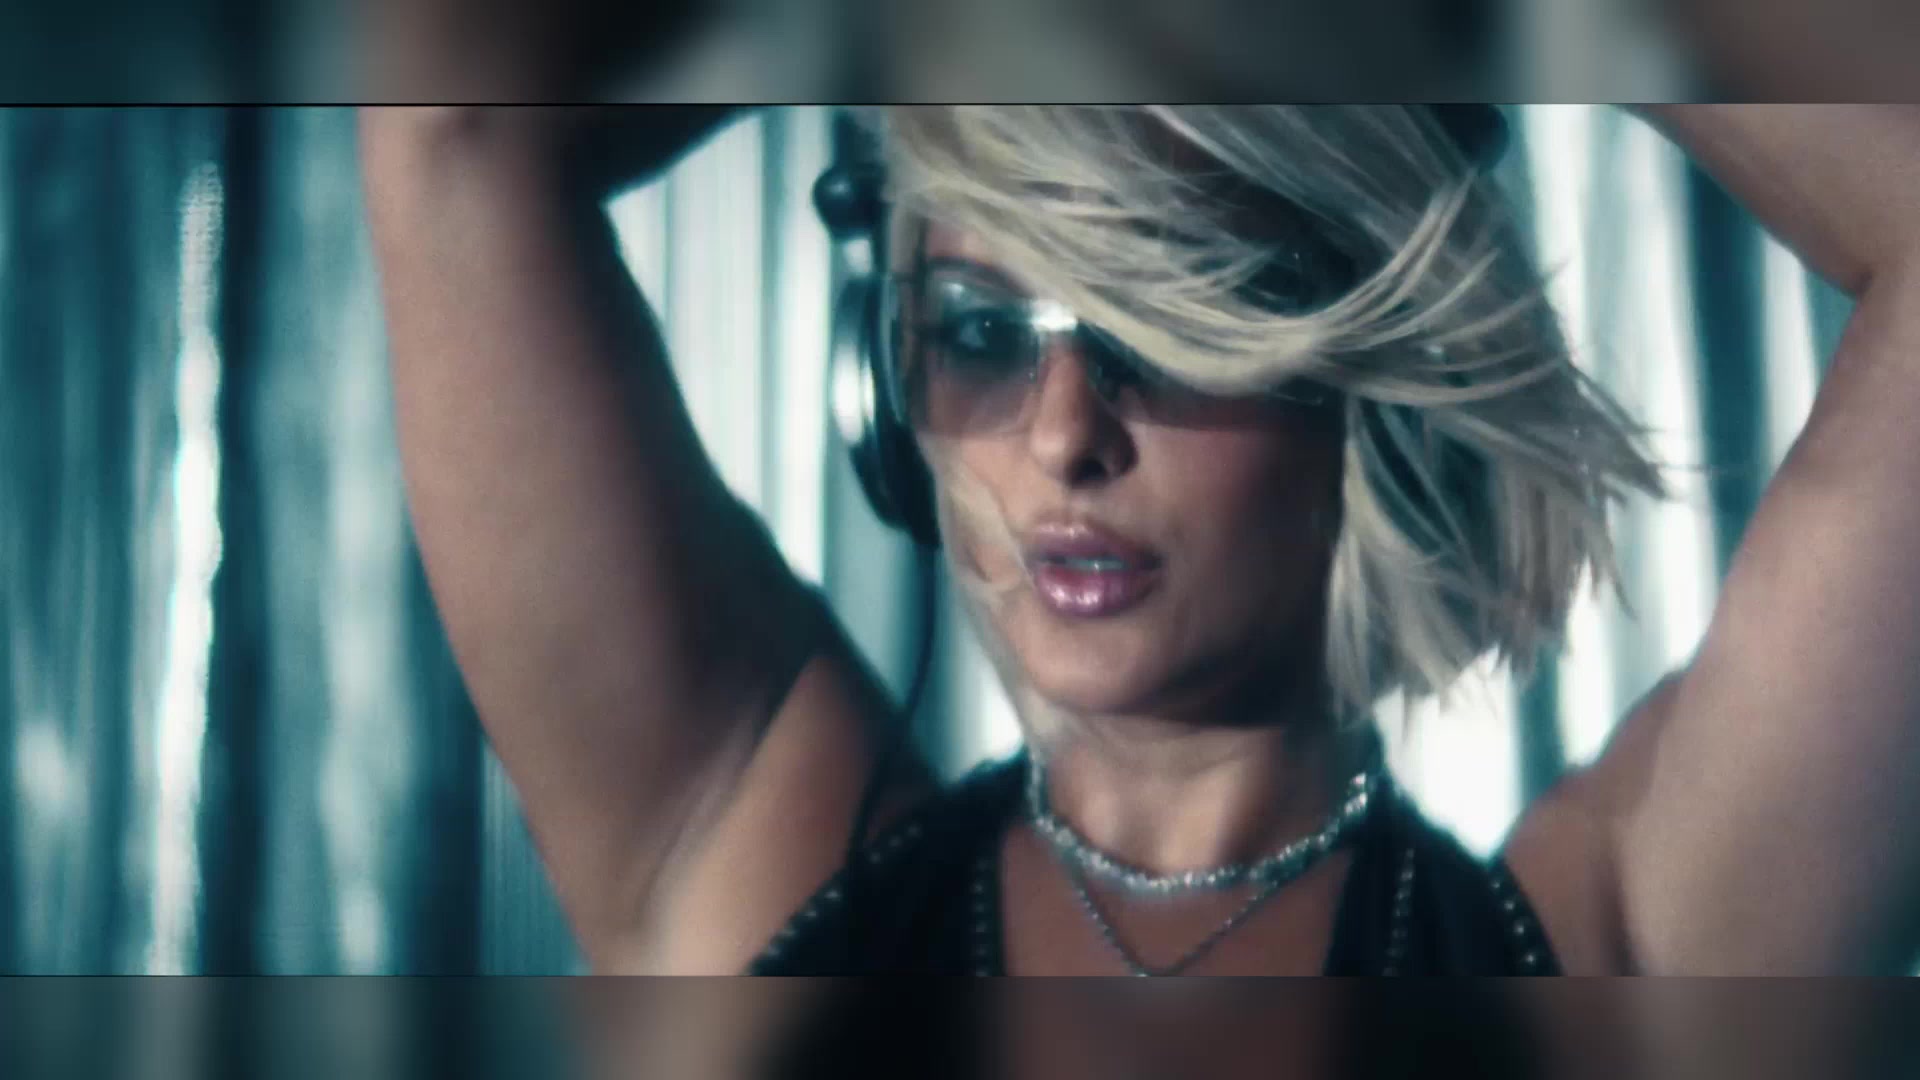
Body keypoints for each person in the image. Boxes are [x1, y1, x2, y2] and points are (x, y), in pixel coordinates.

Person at [359, 29, 1920, 980]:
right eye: (983, 333)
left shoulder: (1616, 949)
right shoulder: (744, 847)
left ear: (1359, 374)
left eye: (1167, 329)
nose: (1061, 435)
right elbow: (450, 116)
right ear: (885, 395)